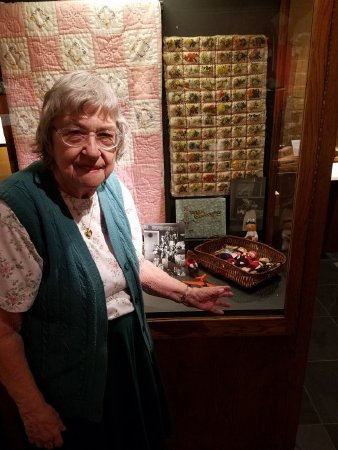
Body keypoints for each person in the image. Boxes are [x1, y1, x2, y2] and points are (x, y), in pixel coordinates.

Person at [0, 71, 233, 450]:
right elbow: (3, 331)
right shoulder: (15, 208)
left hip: (128, 356)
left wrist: (186, 294)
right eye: (75, 133)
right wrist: (33, 409)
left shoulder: (111, 186)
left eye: (105, 135)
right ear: (49, 139)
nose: (93, 150)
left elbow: (130, 264)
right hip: (69, 375)